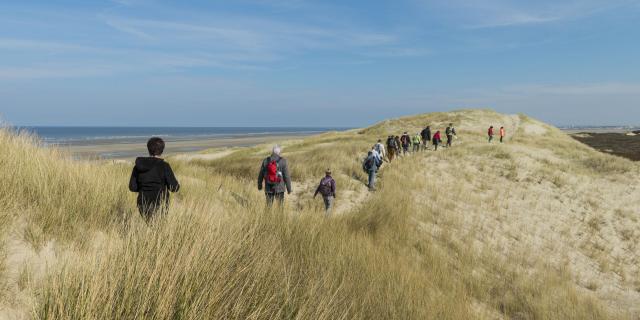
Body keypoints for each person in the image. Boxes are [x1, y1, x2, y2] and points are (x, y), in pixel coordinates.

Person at [129, 137, 180, 222]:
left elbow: (132, 187)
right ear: (162, 150)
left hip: (142, 203)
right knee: (158, 229)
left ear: (148, 149)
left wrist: (144, 187)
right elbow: (174, 188)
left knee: (150, 227)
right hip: (160, 203)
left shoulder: (138, 166)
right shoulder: (164, 166)